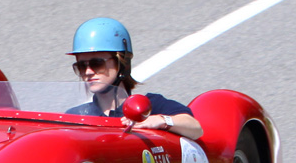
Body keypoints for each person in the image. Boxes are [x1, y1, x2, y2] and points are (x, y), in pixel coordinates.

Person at [64, 18, 203, 139]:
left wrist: (159, 120)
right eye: (81, 66)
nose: (88, 71)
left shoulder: (151, 106)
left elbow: (195, 129)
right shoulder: (77, 116)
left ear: (121, 62)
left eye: (97, 64)